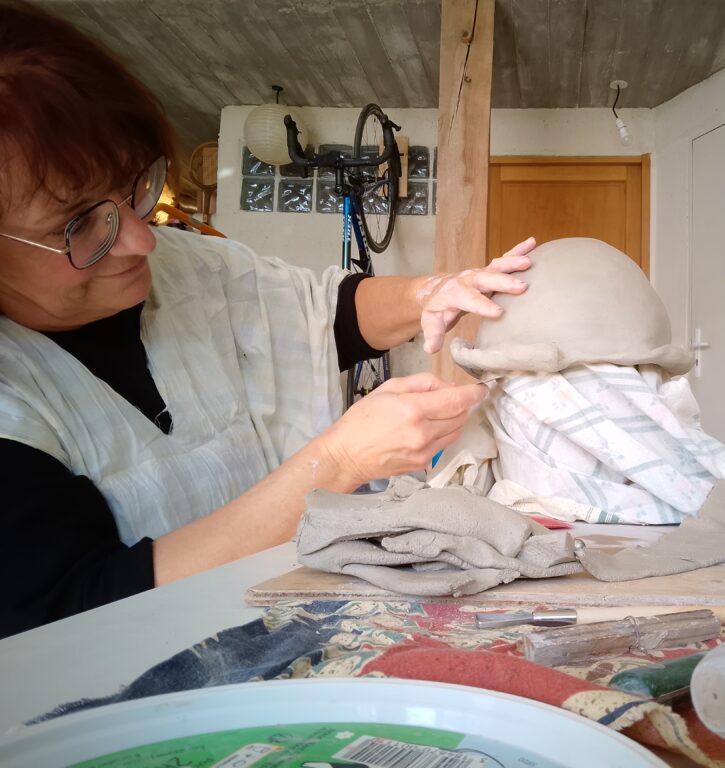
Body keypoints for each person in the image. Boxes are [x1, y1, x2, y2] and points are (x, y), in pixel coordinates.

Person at [0, 1, 535, 638]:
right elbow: (68, 621)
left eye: (135, 188)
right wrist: (338, 461)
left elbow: (325, 311)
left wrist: (429, 292)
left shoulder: (190, 263)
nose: (142, 240)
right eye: (80, 226)